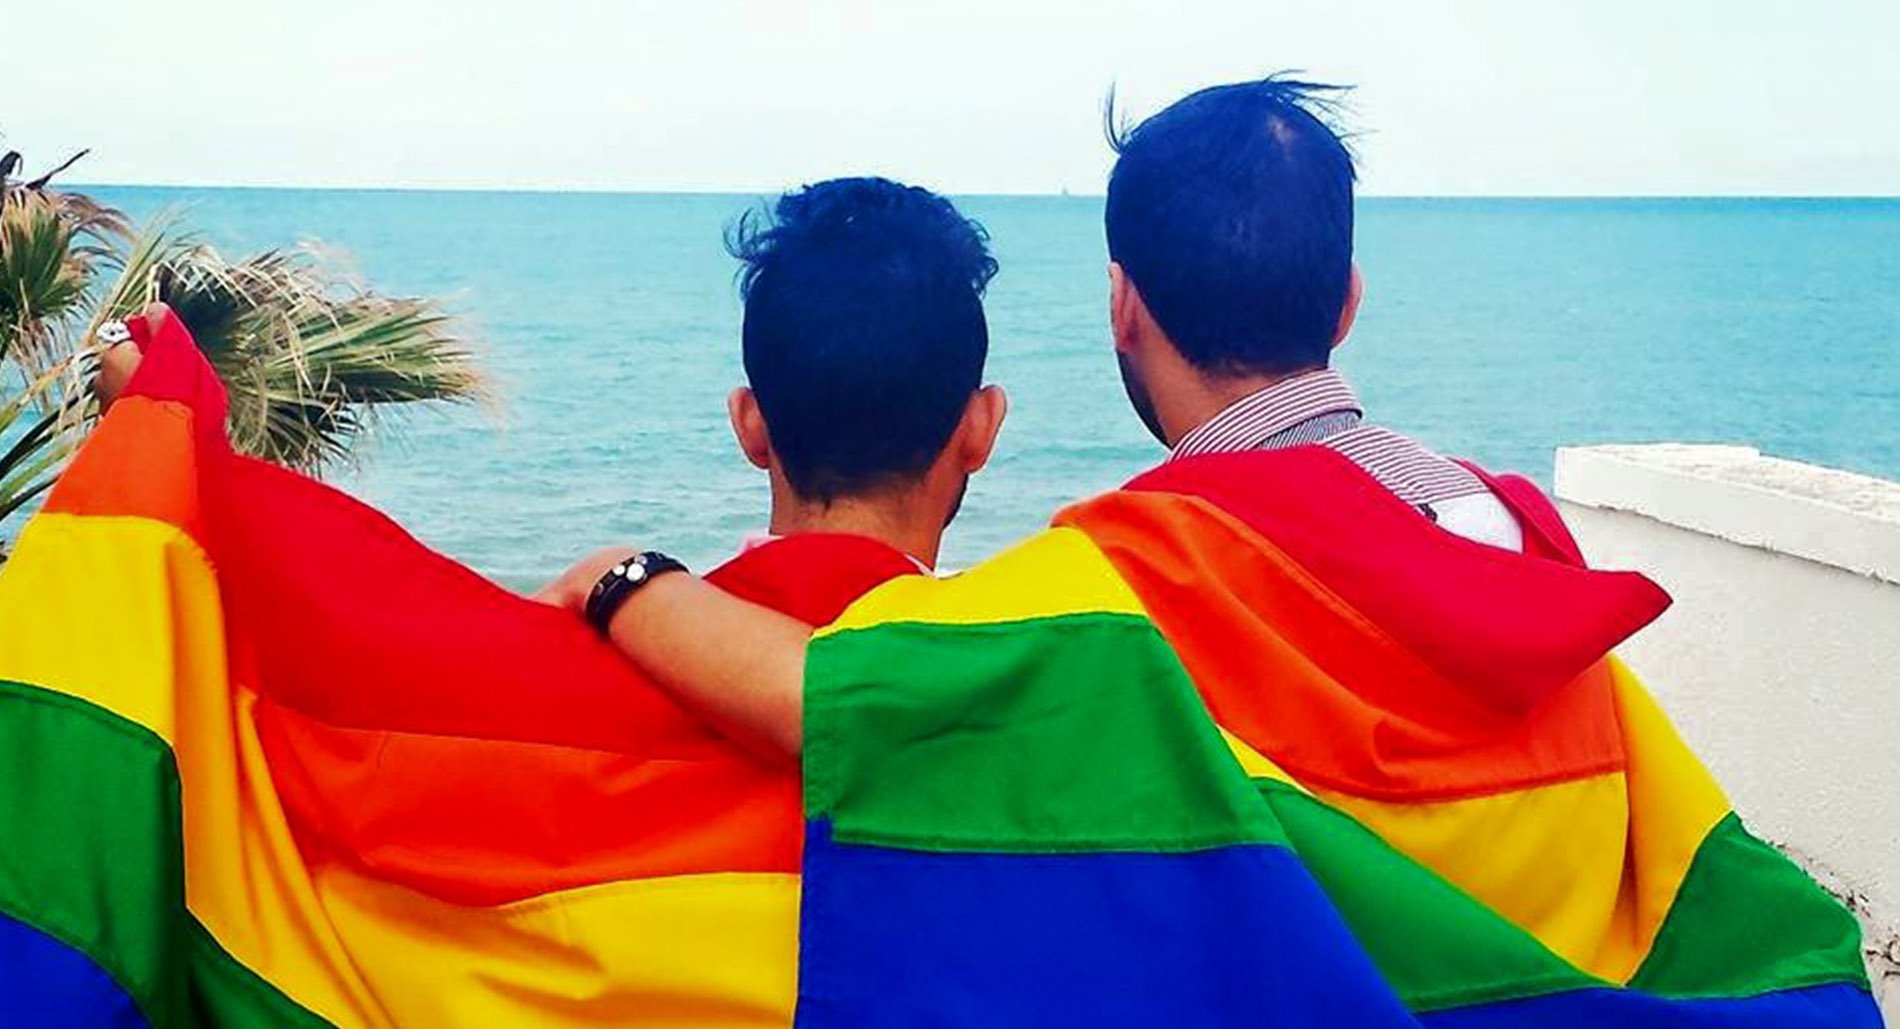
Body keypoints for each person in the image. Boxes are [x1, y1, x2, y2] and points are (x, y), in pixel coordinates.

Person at [542, 77, 1525, 754]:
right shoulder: (1503, 523)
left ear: (1121, 307)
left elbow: (842, 700)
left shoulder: (1123, 582)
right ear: (1347, 303)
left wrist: (623, 579)